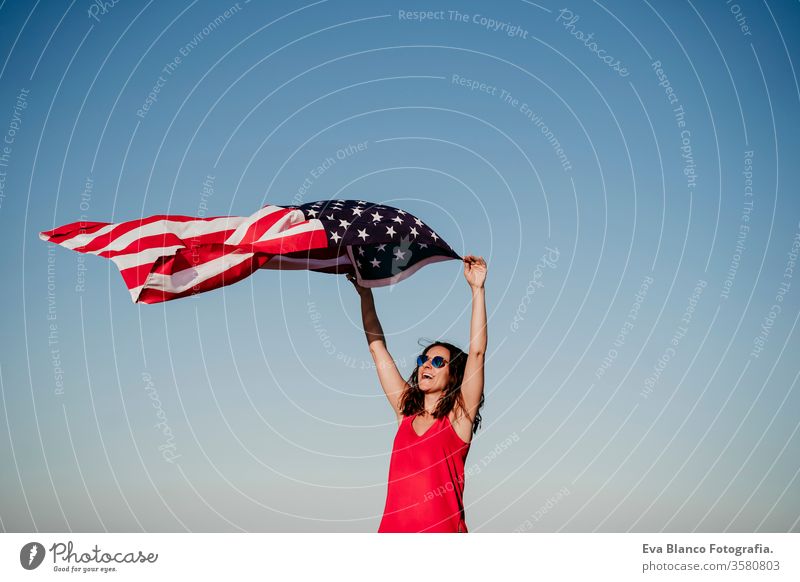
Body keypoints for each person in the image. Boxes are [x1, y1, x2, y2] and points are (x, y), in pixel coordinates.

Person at [347, 255, 488, 532]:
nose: (427, 364)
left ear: (453, 375)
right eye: (424, 358)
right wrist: (365, 292)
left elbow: (477, 352)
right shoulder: (405, 411)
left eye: (438, 362)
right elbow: (377, 349)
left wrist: (477, 290)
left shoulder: (459, 419)